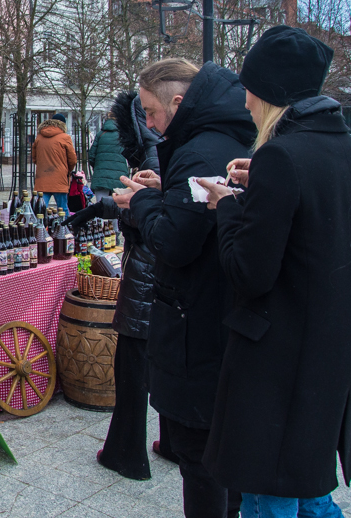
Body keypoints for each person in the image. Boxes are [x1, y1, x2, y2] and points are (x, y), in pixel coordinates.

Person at [195, 26, 351, 518]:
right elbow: (322, 223)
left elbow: (249, 273)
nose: (246, 102)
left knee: (268, 492)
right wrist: (263, 188)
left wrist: (228, 206)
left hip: (279, 363)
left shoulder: (280, 155)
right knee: (311, 489)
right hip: (332, 351)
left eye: (250, 89)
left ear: (270, 92)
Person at [113, 58, 255, 518]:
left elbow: (175, 243)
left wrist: (141, 202)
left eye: (151, 112)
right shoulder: (225, 139)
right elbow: (193, 217)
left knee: (202, 466)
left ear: (177, 102)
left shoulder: (196, 151)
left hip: (197, 326)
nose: (149, 123)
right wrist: (163, 192)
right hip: (221, 320)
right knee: (219, 460)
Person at [64, 91, 166, 480]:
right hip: (153, 272)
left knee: (133, 366)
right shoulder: (154, 152)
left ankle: (126, 454)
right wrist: (101, 207)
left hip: (147, 274)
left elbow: (150, 212)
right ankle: (167, 442)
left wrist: (113, 207)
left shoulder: (151, 155)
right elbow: (135, 202)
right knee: (151, 364)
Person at [32, 113, 77, 214]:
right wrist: (66, 169)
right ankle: (63, 228)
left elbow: (34, 158)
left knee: (40, 209)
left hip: (42, 178)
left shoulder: (39, 137)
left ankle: (40, 228)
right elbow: (72, 159)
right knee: (63, 209)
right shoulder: (65, 137)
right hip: (60, 178)